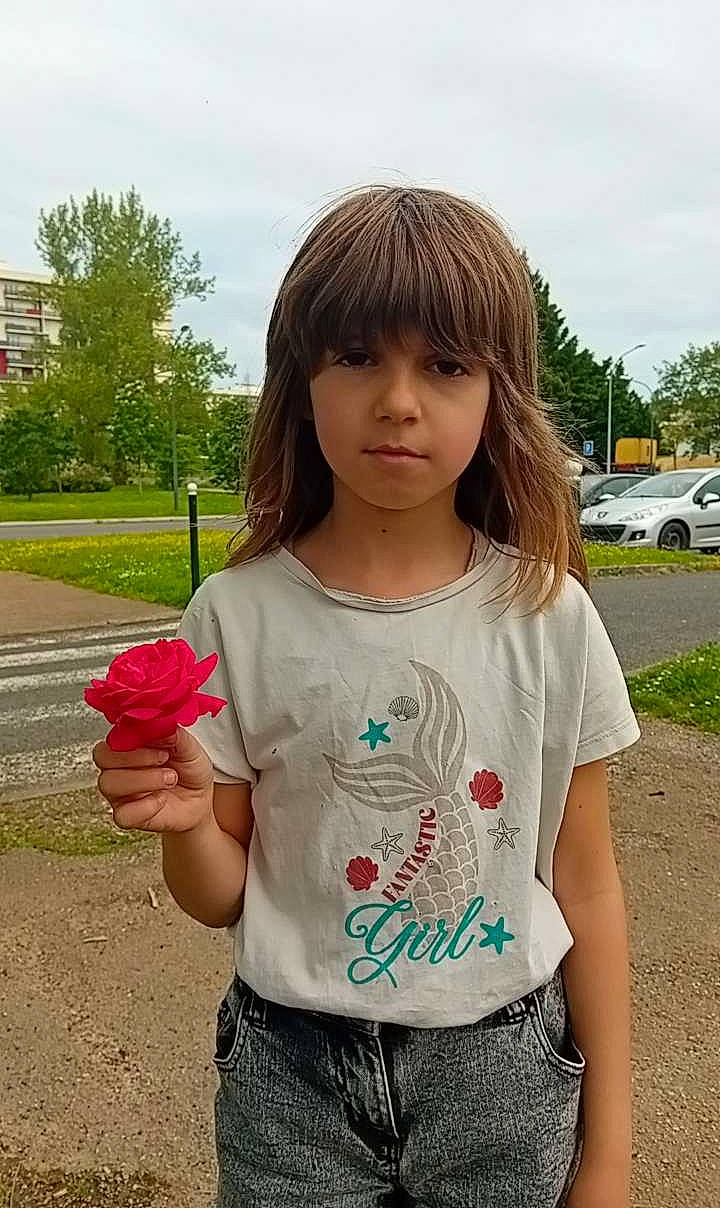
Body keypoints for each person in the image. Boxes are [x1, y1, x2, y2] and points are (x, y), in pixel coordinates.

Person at [93, 186, 640, 1208]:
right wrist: (185, 821)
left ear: (500, 394)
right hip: (287, 1079)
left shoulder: (549, 613)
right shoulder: (234, 616)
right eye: (355, 355)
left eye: (446, 364)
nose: (398, 399)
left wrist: (608, 1154)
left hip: (505, 1074)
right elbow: (219, 894)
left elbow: (589, 882)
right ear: (300, 382)